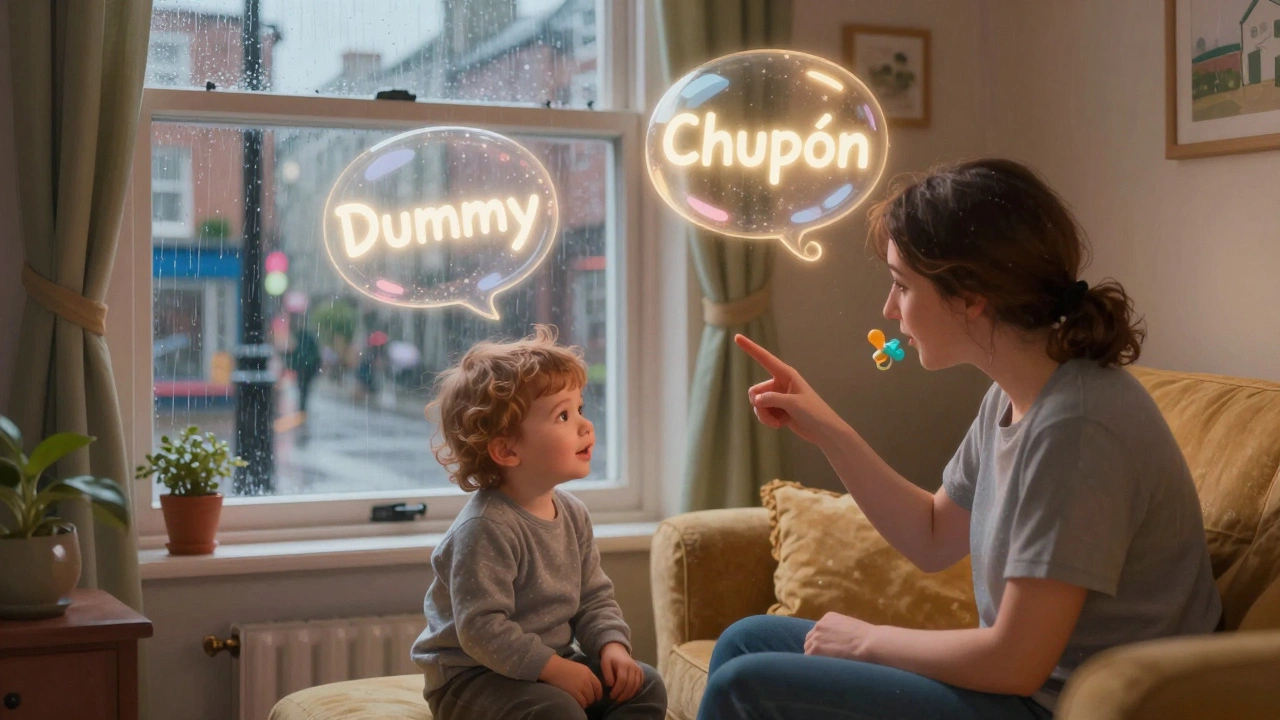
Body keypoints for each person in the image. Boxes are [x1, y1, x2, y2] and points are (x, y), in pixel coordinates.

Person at [702, 159, 1222, 720]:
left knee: (745, 685)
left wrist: (867, 640)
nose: (889, 308)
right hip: (1021, 690)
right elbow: (932, 535)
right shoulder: (1014, 395)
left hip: (1062, 707)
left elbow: (1016, 662)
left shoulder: (1077, 429)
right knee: (746, 641)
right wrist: (829, 430)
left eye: (902, 285)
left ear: (971, 297)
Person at [410, 325, 667, 720]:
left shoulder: (573, 514)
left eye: (580, 409)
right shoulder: (485, 527)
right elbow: (481, 629)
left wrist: (611, 647)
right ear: (506, 450)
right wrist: (554, 669)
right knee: (556, 711)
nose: (585, 425)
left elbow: (593, 597)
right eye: (563, 415)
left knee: (646, 684)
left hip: (549, 664)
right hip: (473, 677)